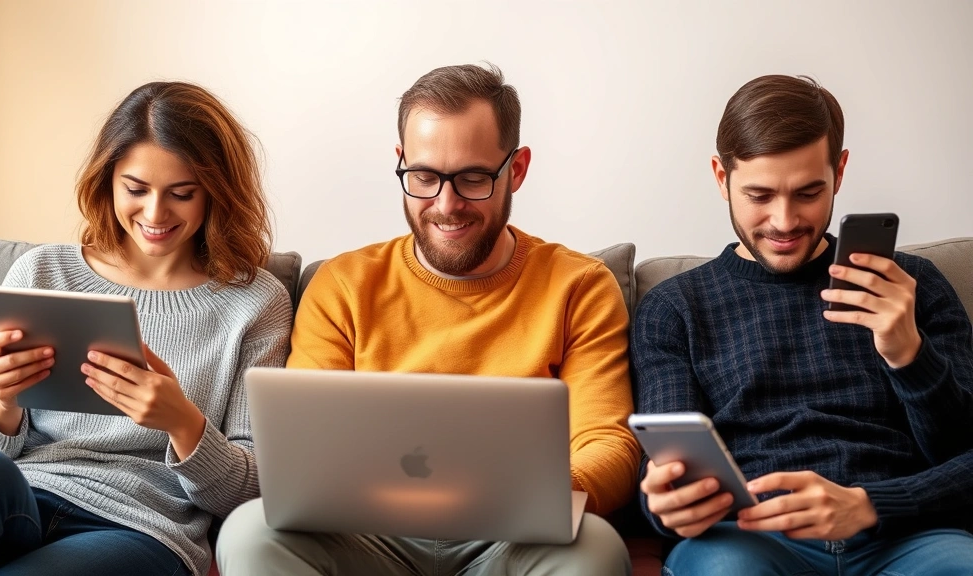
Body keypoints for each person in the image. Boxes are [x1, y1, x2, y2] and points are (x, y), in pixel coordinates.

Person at [217, 63, 639, 576]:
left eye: (473, 178)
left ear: (518, 169)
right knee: (250, 534)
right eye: (424, 177)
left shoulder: (580, 286)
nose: (446, 205)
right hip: (367, 536)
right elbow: (306, 450)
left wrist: (534, 494)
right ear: (400, 161)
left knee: (593, 547)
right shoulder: (344, 284)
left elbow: (609, 444)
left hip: (513, 537)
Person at [634, 74, 973, 574]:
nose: (785, 221)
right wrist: (663, 507)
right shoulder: (674, 307)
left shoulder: (913, 285)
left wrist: (909, 354)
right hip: (749, 540)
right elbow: (667, 467)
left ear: (839, 171)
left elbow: (962, 453)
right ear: (721, 177)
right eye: (760, 195)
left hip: (906, 538)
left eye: (808, 192)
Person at [0, 81, 292, 576]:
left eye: (181, 193)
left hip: (141, 529)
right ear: (108, 181)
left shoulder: (255, 302)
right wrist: (3, 403)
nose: (155, 214)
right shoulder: (43, 273)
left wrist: (182, 422)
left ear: (216, 193)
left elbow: (253, 492)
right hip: (25, 496)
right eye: (136, 189)